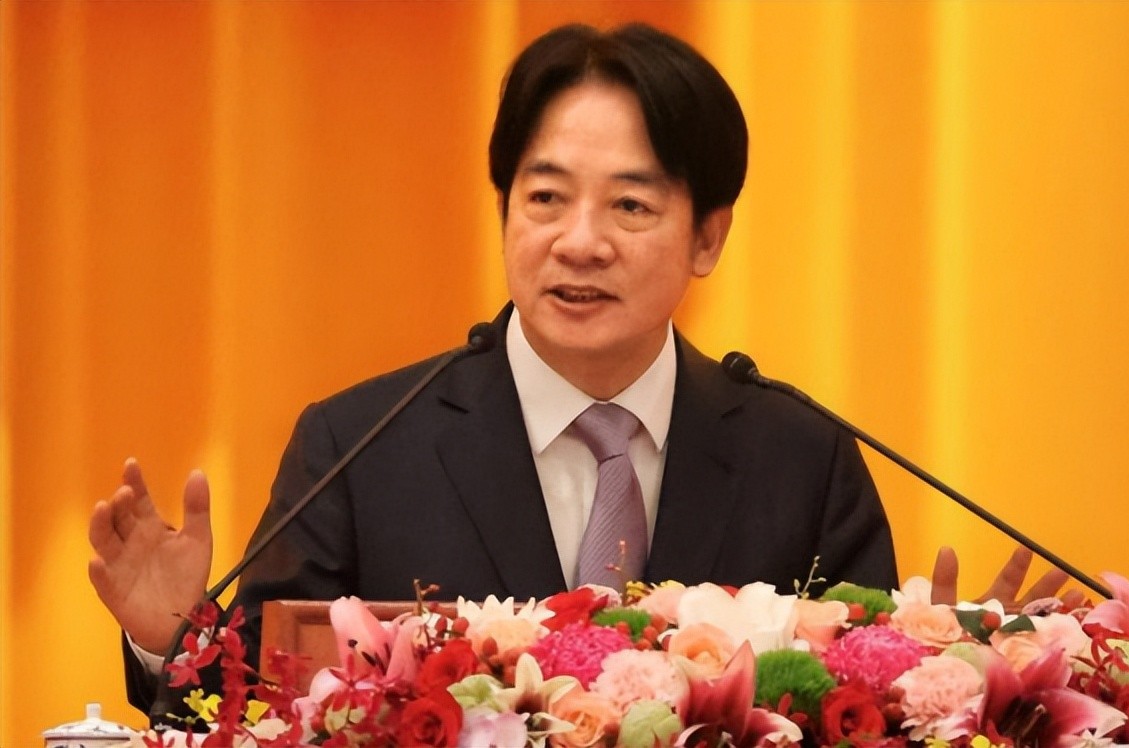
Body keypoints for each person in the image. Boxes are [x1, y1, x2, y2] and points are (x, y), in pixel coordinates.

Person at [87, 22, 1071, 718]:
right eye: (546, 197)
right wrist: (171, 641)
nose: (579, 241)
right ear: (505, 209)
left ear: (708, 237)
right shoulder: (360, 448)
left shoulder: (803, 460)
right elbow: (256, 712)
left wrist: (976, 678)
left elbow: (861, 713)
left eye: (631, 206)